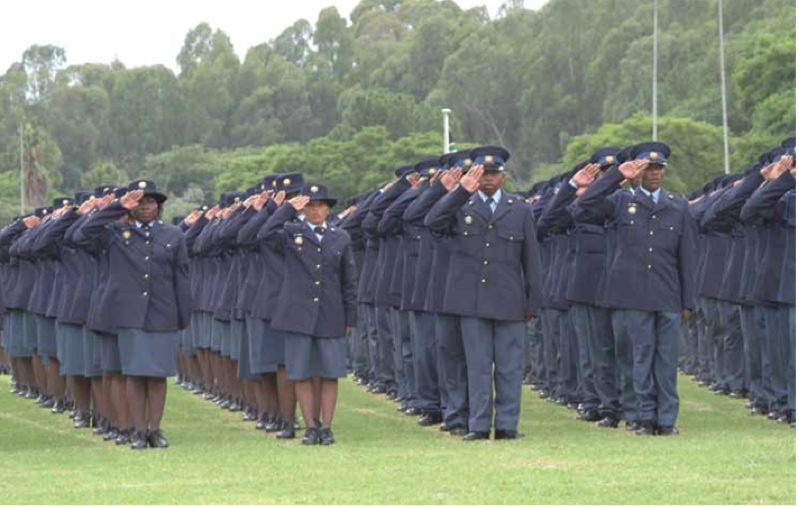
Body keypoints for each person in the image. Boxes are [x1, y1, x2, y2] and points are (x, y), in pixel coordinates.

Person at [576, 142, 697, 436]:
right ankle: (642, 416)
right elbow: (585, 203)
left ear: (664, 172)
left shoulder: (677, 206)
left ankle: (666, 419)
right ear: (636, 171)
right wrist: (616, 176)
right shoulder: (620, 201)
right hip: (633, 295)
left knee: (666, 361)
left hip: (667, 294)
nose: (653, 173)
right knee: (639, 357)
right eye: (647, 168)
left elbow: (687, 257)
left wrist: (688, 301)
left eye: (658, 168)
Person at [426, 146, 543, 440]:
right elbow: (432, 223)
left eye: (493, 174)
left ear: (503, 177)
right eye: (482, 173)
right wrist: (459, 192)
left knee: (509, 368)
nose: (487, 179)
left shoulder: (519, 209)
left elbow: (532, 261)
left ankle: (506, 425)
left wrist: (533, 301)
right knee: (477, 367)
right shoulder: (461, 206)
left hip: (509, 300)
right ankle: (478, 425)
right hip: (471, 301)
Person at [75, 180, 193, 449]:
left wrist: (183, 316)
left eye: (150, 202)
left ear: (159, 206)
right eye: (139, 202)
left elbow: (182, 278)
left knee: (158, 375)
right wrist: (117, 207)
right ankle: (138, 431)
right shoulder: (115, 232)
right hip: (130, 316)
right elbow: (80, 234)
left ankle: (155, 430)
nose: (145, 207)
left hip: (163, 313)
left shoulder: (173, 235)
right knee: (135, 374)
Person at [261, 184, 358, 445]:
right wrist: (285, 209)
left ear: (327, 208)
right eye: (310, 205)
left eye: (320, 205)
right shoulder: (292, 232)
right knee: (301, 372)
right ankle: (310, 427)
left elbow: (349, 281)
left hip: (330, 312)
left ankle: (326, 427)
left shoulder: (340, 237)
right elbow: (263, 234)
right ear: (303, 208)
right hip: (297, 314)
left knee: (329, 372)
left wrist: (350, 317)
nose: (315, 210)